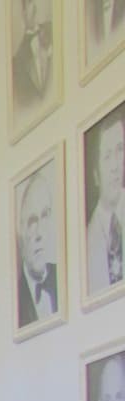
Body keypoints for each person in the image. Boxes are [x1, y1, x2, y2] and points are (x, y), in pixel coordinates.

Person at [87, 107, 125, 296]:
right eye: (107, 156)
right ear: (96, 174)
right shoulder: (88, 240)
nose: (115, 166)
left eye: (120, 150)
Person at [16, 168, 59, 328]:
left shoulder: (61, 279)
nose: (39, 232)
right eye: (32, 221)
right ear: (21, 231)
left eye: (45, 215)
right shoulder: (16, 298)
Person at [12, 0, 53, 112]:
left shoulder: (52, 30)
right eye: (29, 4)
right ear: (23, 13)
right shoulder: (17, 61)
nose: (34, 7)